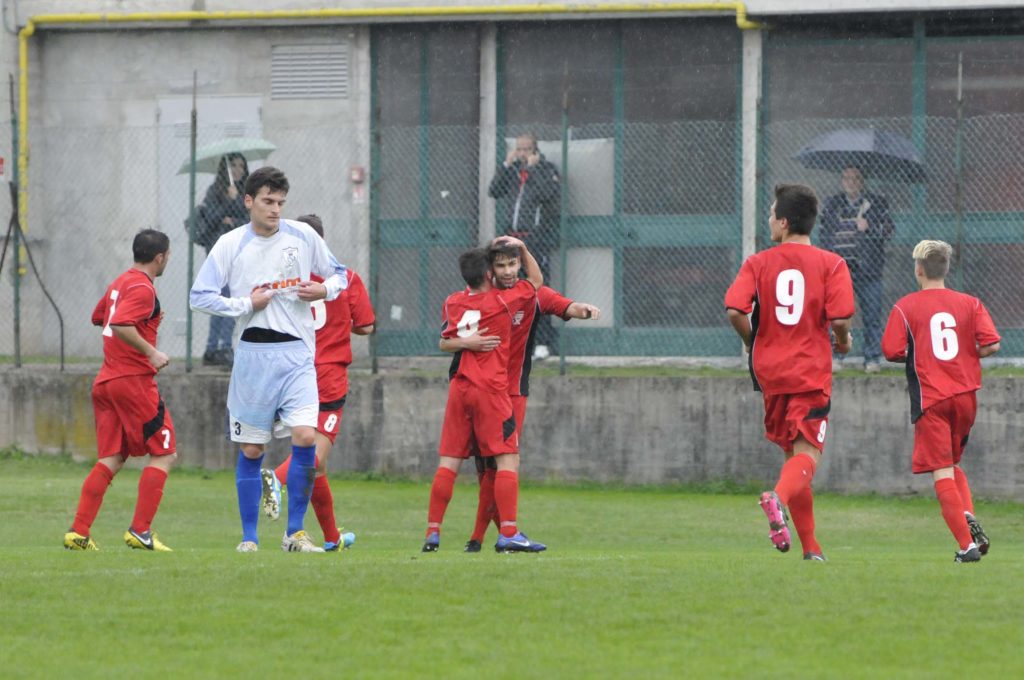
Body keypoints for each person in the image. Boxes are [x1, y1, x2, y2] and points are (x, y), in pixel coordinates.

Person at [189, 166, 349, 553]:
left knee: (306, 436)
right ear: (249, 201)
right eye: (268, 201)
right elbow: (199, 296)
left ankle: (295, 533)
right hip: (253, 357)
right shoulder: (229, 244)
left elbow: (341, 275)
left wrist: (322, 290)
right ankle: (249, 537)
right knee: (251, 450)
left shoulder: (303, 235)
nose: (276, 209)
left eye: (280, 202)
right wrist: (246, 303)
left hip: (297, 356)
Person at [439, 243, 601, 552]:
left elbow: (565, 306)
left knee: (497, 466)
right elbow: (449, 338)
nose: (508, 271)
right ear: (490, 270)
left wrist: (583, 310)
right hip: (480, 389)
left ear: (520, 264)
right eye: (501, 266)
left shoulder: (532, 295)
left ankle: (479, 538)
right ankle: (499, 535)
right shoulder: (482, 297)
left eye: (513, 264)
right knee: (488, 467)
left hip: (512, 392)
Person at [725, 184, 855, 561]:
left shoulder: (758, 263)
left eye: (771, 215)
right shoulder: (831, 263)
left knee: (792, 461)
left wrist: (752, 341)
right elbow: (841, 319)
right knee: (808, 457)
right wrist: (843, 341)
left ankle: (811, 549)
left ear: (783, 223)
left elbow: (735, 310)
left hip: (771, 374)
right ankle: (776, 499)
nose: (768, 220)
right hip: (808, 372)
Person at [261, 214, 376, 552]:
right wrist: (342, 323)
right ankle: (276, 479)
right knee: (313, 455)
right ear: (321, 242)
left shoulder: (283, 279)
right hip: (326, 378)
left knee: (318, 466)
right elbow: (366, 326)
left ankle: (331, 538)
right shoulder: (345, 278)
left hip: (289, 375)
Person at [423, 237, 545, 553]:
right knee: (507, 459)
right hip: (491, 389)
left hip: (459, 388)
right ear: (490, 273)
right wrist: (522, 248)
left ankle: (433, 532)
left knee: (449, 461)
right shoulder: (502, 301)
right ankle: (509, 532)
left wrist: (466, 343)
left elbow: (444, 341)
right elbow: (536, 281)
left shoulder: (453, 302)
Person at [881, 240, 1000, 563]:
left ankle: (966, 546)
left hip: (932, 398)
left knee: (941, 472)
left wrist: (922, 354)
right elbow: (991, 344)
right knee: (952, 464)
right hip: (965, 398)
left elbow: (891, 350)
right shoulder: (970, 303)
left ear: (919, 269)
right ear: (946, 270)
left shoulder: (906, 306)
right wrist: (966, 354)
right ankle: (967, 514)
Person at [64, 229, 177, 552]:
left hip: (106, 381)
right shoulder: (143, 288)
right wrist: (151, 352)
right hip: (132, 382)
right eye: (168, 256)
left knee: (112, 457)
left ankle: (78, 532)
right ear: (160, 257)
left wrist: (146, 320)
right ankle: (141, 531)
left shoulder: (121, 282)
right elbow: (119, 323)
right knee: (165, 453)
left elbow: (99, 316)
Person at [488, 133, 561, 360]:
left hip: (534, 240)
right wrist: (505, 164)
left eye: (526, 149)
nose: (522, 153)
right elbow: (494, 190)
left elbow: (547, 194)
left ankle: (543, 341)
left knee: (536, 291)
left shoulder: (546, 170)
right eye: (518, 149)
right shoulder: (512, 172)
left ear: (535, 150)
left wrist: (533, 169)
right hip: (511, 240)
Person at [819, 166, 895, 373]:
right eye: (846, 178)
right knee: (838, 316)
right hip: (840, 271)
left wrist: (869, 226)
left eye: (855, 178)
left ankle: (872, 359)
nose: (850, 182)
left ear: (862, 181)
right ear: (842, 181)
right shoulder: (833, 204)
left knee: (872, 315)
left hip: (869, 269)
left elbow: (889, 230)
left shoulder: (876, 204)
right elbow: (824, 233)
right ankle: (837, 356)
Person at [195, 153, 250, 367]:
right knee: (222, 299)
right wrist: (228, 201)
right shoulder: (215, 190)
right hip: (218, 253)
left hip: (238, 254)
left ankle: (220, 347)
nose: (237, 170)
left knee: (228, 298)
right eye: (233, 166)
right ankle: (217, 348)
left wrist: (236, 202)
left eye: (240, 166)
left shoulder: (246, 193)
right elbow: (209, 216)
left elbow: (249, 220)